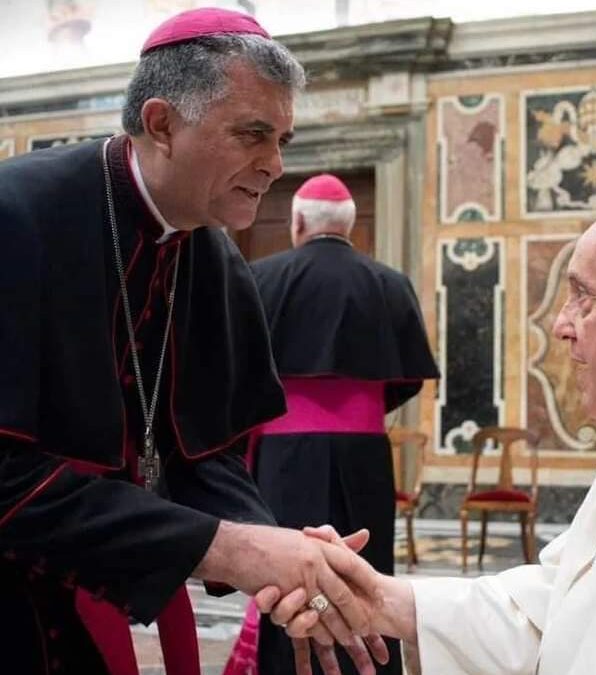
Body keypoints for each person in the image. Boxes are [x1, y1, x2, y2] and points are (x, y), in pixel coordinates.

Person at [0, 8, 378, 675]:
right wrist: (224, 546)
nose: (276, 164)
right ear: (161, 123)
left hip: (93, 578)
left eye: (283, 137)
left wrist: (270, 544)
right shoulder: (17, 216)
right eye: (253, 135)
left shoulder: (211, 252)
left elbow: (204, 453)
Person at [258, 185, 596, 674]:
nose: (559, 325)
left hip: (285, 456)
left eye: (582, 296)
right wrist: (386, 601)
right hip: (366, 454)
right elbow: (558, 608)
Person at [226, 174, 438, 675]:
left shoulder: (259, 278)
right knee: (366, 573)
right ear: (350, 225)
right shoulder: (390, 282)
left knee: (288, 574)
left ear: (297, 221)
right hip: (364, 456)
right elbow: (406, 380)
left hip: (284, 457)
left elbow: (231, 374)